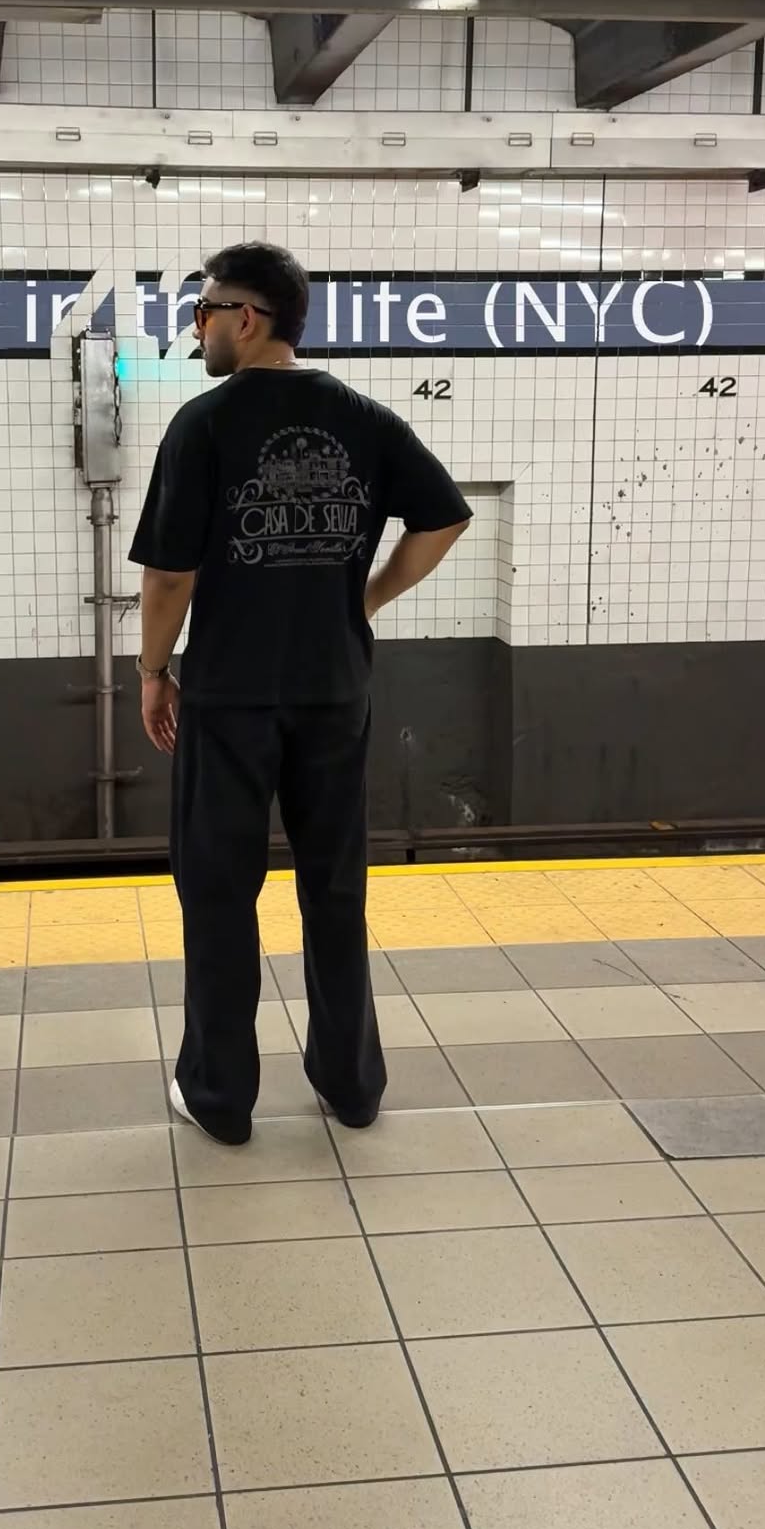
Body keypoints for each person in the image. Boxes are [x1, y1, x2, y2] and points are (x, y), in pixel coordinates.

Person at [129, 242, 470, 1145]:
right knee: (334, 885)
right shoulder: (364, 418)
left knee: (218, 891)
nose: (197, 327)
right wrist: (364, 599)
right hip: (334, 691)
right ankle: (351, 1086)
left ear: (247, 318)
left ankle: (219, 1097)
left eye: (204, 311)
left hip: (229, 697)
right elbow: (445, 517)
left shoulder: (204, 424)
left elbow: (169, 576)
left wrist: (153, 672)